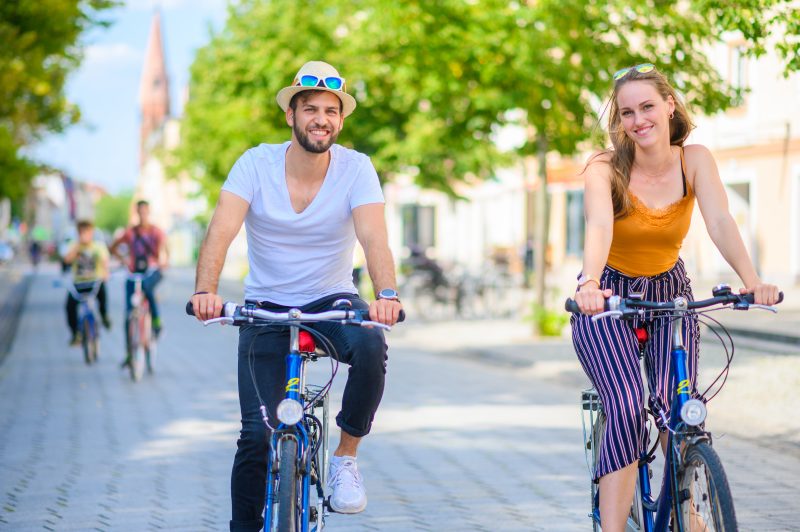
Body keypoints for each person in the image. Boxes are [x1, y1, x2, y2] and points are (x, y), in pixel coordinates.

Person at [189, 60, 403, 531]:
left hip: (331, 300)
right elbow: (221, 232)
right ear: (291, 115)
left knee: (372, 343)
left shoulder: (356, 168)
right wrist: (206, 291)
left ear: (340, 120)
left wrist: (386, 293)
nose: (320, 119)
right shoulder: (255, 163)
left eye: (330, 110)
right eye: (310, 109)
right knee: (253, 437)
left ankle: (345, 457)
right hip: (264, 306)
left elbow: (374, 238)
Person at [570, 63, 780, 532]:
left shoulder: (695, 160)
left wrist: (751, 279)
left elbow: (721, 221)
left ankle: (690, 514)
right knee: (625, 405)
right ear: (619, 120)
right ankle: (613, 527)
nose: (638, 119)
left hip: (671, 293)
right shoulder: (604, 168)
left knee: (677, 407)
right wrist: (588, 284)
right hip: (607, 295)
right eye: (627, 112)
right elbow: (600, 226)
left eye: (647, 106)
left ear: (669, 106)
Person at [110, 199, 168, 353]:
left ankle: (156, 323)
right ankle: (129, 352)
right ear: (137, 213)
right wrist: (124, 260)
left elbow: (165, 248)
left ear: (148, 212)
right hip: (134, 271)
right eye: (140, 212)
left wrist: (164, 262)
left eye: (145, 212)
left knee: (148, 288)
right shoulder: (130, 232)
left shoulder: (156, 231)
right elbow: (113, 246)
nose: (143, 215)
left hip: (152, 270)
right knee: (129, 312)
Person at [63, 220, 111, 345]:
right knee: (69, 307)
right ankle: (76, 333)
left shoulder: (98, 246)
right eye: (81, 232)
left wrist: (106, 273)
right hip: (78, 283)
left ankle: (104, 315)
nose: (84, 235)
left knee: (103, 294)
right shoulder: (74, 245)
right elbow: (67, 260)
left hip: (95, 281)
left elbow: (105, 261)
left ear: (92, 233)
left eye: (87, 232)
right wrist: (78, 246)